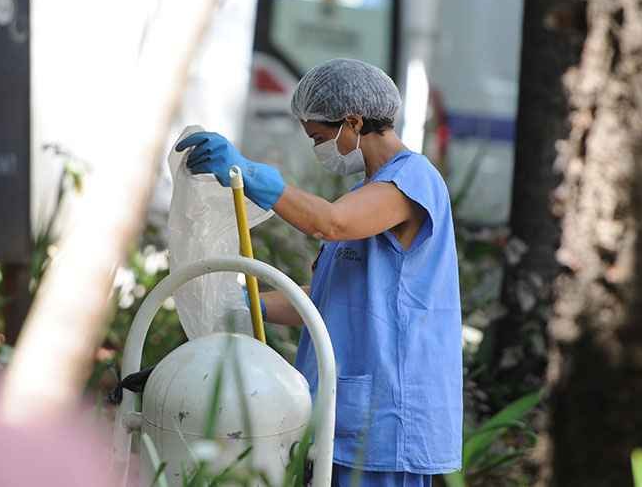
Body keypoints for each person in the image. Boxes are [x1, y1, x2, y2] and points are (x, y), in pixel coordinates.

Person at [176, 58, 462, 486]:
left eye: (319, 137)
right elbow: (328, 298)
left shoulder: (413, 180)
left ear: (353, 121)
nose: (317, 149)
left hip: (385, 416)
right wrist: (241, 304)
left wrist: (250, 174)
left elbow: (329, 223)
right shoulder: (366, 194)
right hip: (343, 411)